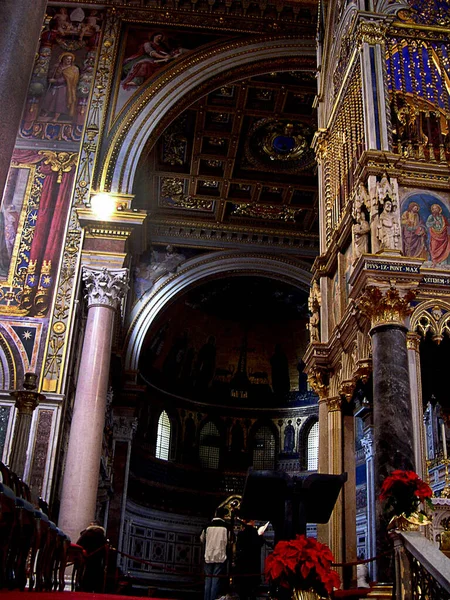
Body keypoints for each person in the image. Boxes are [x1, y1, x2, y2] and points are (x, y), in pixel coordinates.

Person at [200, 507, 230, 600]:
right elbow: (230, 540)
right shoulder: (226, 527)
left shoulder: (207, 526)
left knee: (208, 580)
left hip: (208, 555)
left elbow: (202, 539)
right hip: (220, 556)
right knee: (216, 580)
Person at [41, 52, 80, 120]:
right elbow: (51, 74)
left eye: (70, 60)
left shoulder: (73, 69)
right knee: (49, 99)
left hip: (64, 88)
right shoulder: (58, 66)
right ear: (63, 59)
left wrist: (56, 81)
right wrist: (53, 72)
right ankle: (46, 113)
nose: (68, 61)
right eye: (67, 59)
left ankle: (56, 117)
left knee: (59, 103)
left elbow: (68, 79)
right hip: (54, 87)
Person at [234, 519, 263, 600]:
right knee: (252, 586)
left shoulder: (241, 533)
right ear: (253, 522)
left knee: (243, 587)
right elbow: (260, 544)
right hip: (253, 562)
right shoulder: (256, 533)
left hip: (243, 562)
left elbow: (238, 547)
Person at [76, 520, 108, 592]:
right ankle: (95, 588)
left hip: (86, 556)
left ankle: (83, 587)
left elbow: (79, 544)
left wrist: (83, 551)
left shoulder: (86, 533)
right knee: (96, 573)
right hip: (97, 558)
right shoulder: (102, 534)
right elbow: (105, 548)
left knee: (86, 572)